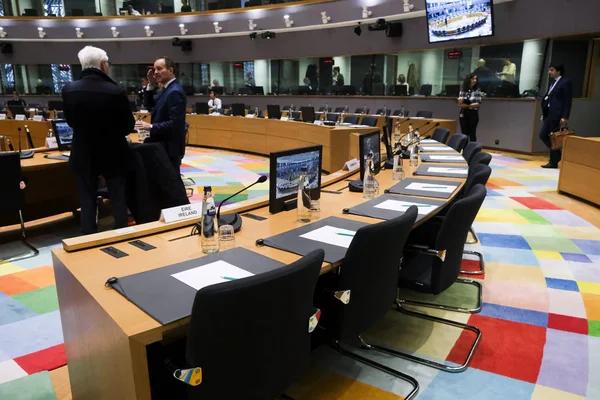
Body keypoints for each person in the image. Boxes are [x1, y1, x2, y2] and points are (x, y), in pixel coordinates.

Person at [62, 46, 134, 235]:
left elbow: (70, 121)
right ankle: (121, 235)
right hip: (113, 152)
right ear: (103, 65)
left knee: (87, 198)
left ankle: (88, 236)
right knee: (118, 197)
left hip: (83, 151)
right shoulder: (115, 91)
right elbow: (128, 126)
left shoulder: (69, 90)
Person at [136, 57, 187, 176]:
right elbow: (150, 106)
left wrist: (151, 126)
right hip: (162, 145)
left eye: (159, 69)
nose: (155, 72)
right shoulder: (166, 89)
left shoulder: (174, 91)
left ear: (170, 70)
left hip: (170, 147)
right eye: (154, 69)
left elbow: (176, 124)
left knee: (173, 184)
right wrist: (150, 85)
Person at [539, 64, 572, 169]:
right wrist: (544, 113)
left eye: (552, 70)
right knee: (543, 135)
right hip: (549, 113)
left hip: (558, 114)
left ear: (559, 71)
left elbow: (568, 101)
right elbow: (549, 99)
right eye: (549, 70)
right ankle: (557, 154)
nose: (550, 72)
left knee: (554, 138)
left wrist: (565, 116)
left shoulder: (565, 82)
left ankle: (553, 162)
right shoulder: (553, 82)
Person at [458, 73, 482, 142]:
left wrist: (467, 105)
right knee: (464, 133)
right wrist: (469, 104)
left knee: (472, 133)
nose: (475, 80)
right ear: (468, 80)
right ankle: (464, 149)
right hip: (463, 113)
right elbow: (460, 104)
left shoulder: (477, 90)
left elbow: (478, 103)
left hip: (473, 113)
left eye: (476, 79)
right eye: (473, 79)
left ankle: (472, 149)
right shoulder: (463, 90)